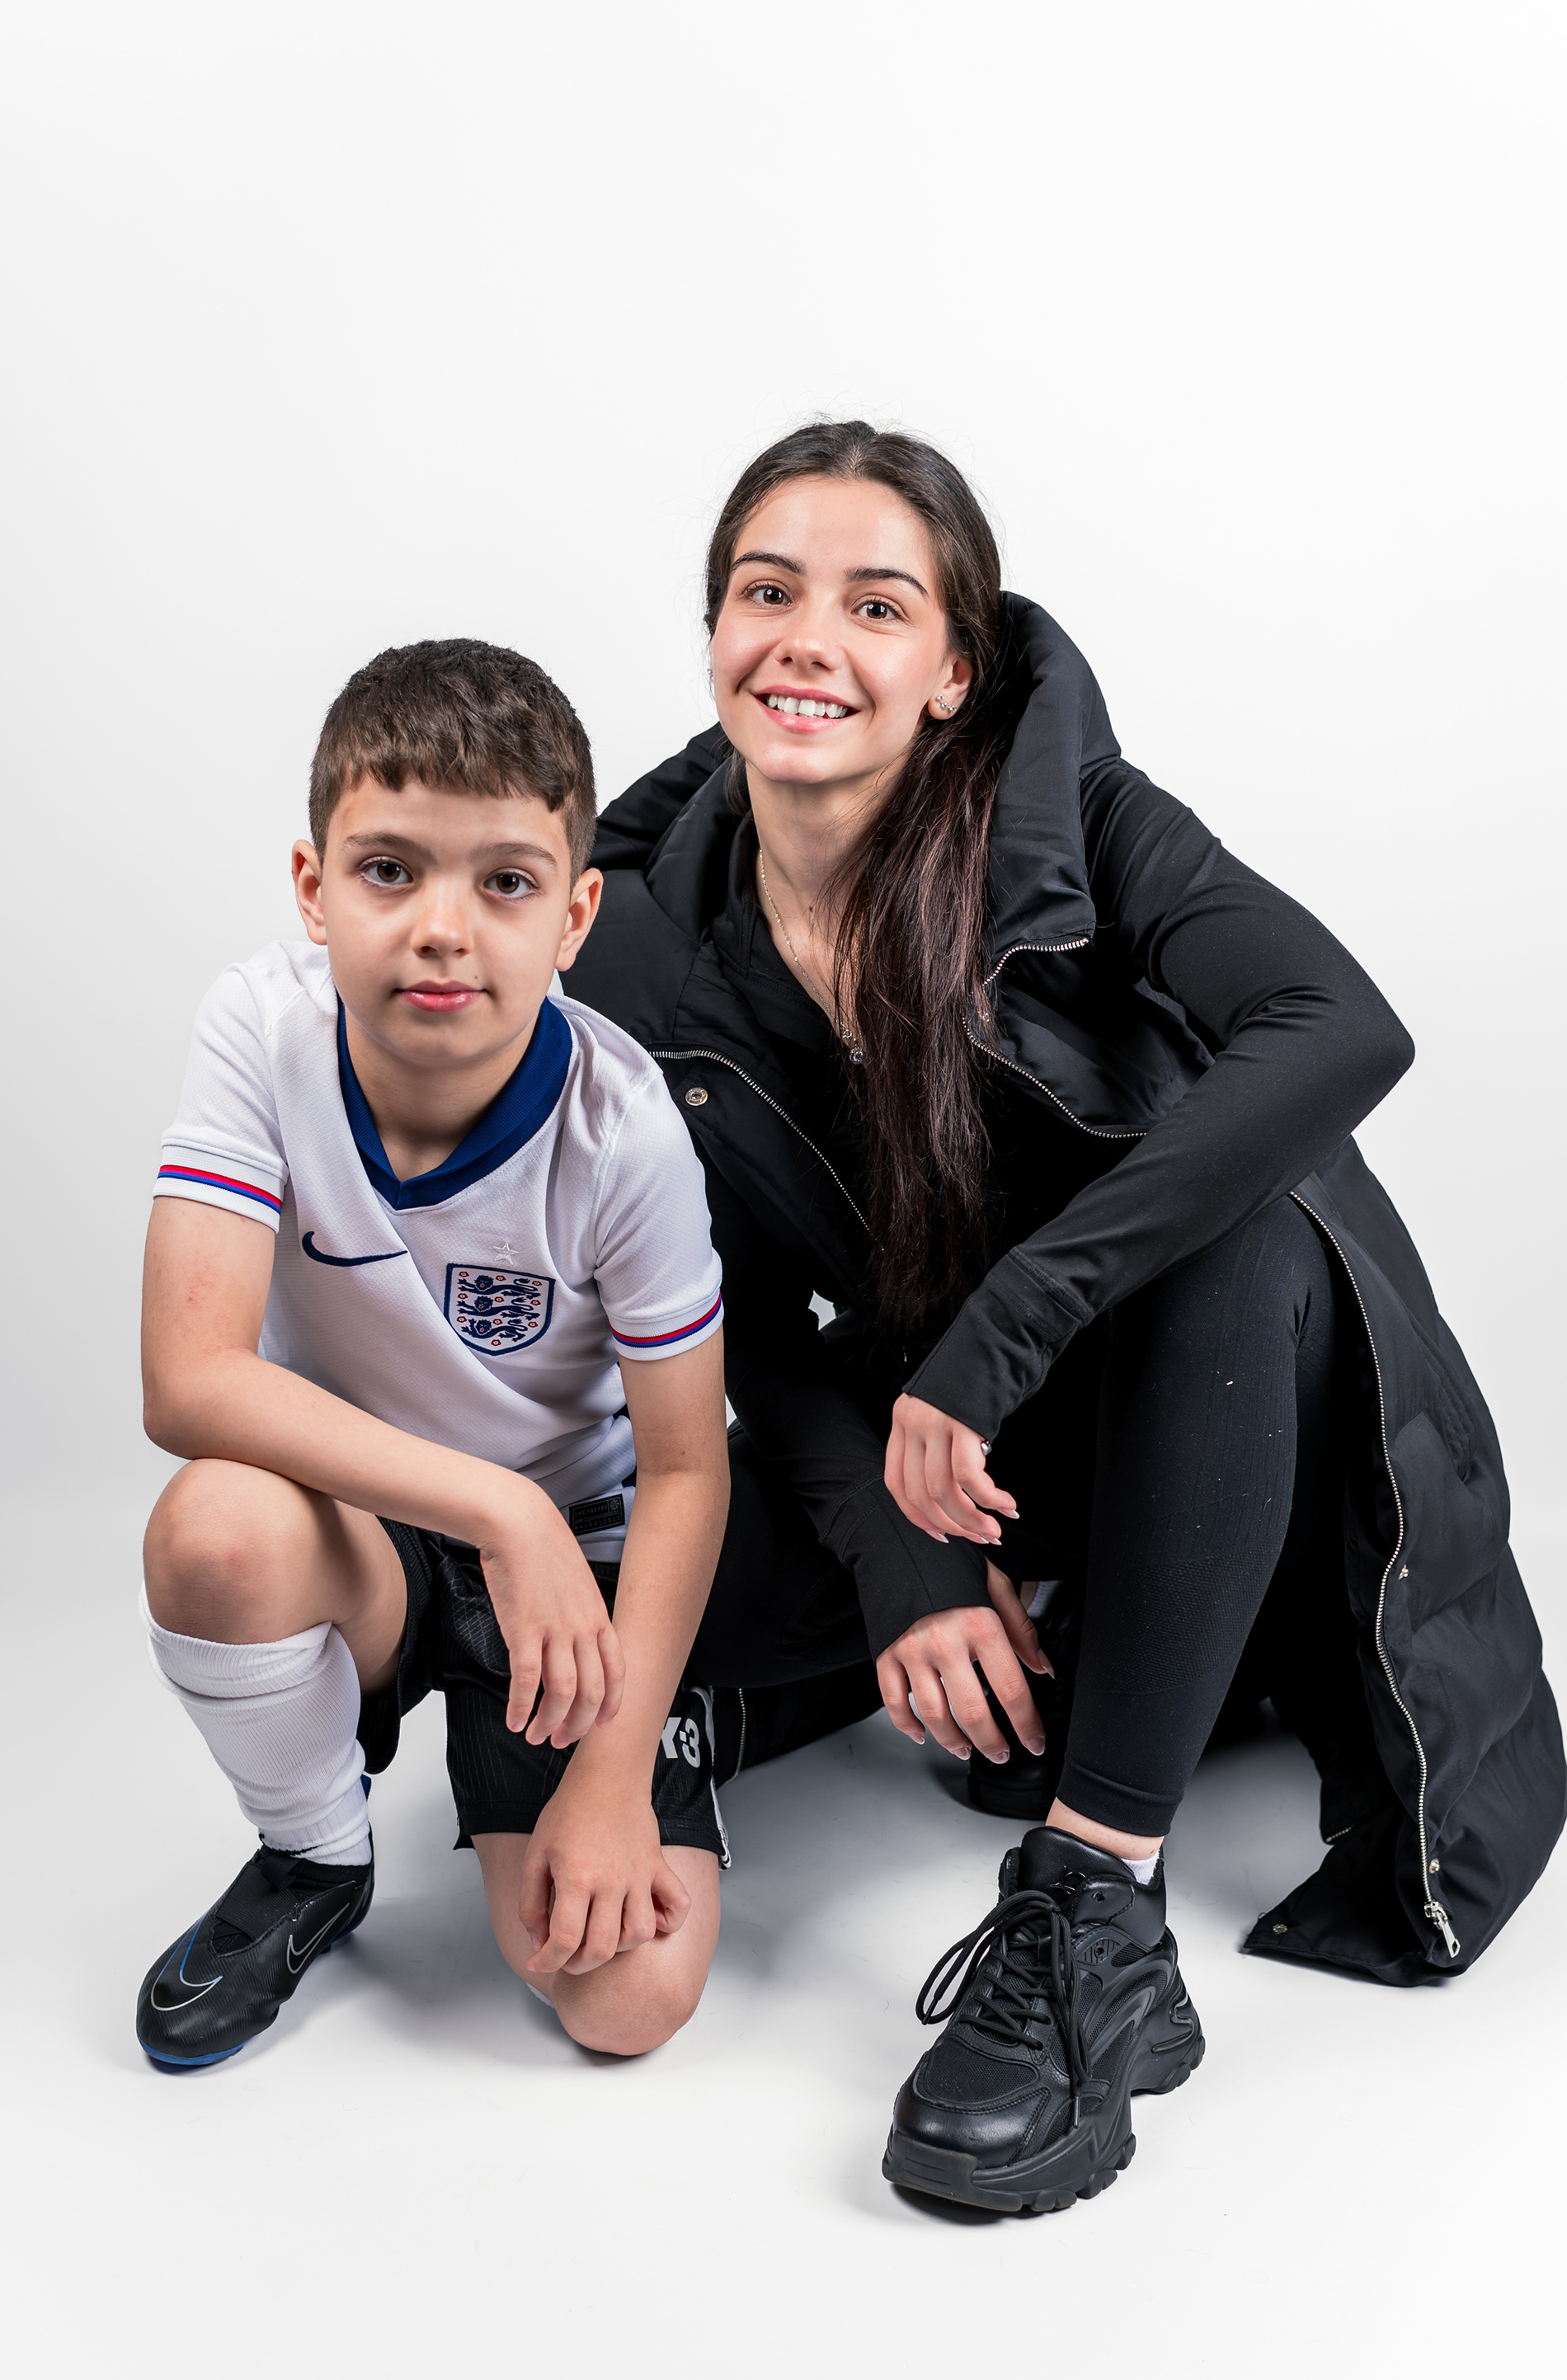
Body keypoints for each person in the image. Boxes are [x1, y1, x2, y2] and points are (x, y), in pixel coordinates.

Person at [563, 421, 1565, 2213]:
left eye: (878, 606)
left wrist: (1008, 1327)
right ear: (714, 632)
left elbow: (1341, 1025)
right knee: (594, 1575)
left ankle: (1097, 1908)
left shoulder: (1077, 824)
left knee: (1240, 1229)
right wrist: (901, 1554)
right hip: (988, 1478)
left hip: (1219, 1431)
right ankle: (861, 1688)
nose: (808, 639)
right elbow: (734, 1318)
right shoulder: (646, 936)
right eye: (767, 591)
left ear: (954, 669)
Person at [136, 638, 735, 2068]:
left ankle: (648, 1733)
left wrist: (608, 1774)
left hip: (575, 1563)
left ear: (577, 914)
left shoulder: (624, 1130)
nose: (443, 929)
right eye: (390, 870)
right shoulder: (260, 1028)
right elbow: (188, 1378)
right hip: (373, 1532)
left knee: (625, 1996)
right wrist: (494, 1507)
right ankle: (315, 1852)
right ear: (313, 887)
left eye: (506, 882)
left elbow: (687, 1466)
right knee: (213, 1528)